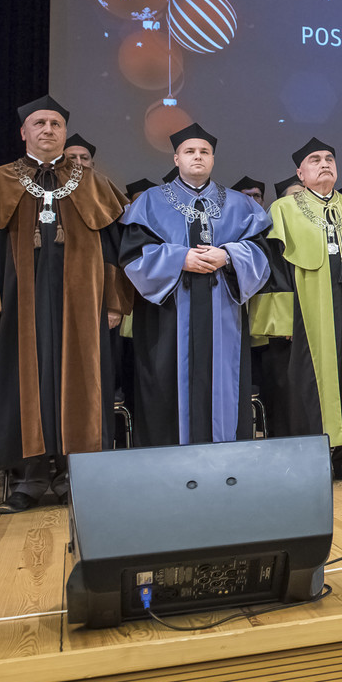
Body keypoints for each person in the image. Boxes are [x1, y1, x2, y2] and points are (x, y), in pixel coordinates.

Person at [0, 94, 133, 513]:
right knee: (23, 385)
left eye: (55, 124)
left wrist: (114, 302)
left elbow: (115, 249)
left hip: (83, 308)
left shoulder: (94, 183)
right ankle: (28, 479)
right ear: (24, 132)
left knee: (83, 385)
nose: (48, 130)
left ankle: (78, 477)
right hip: (18, 305)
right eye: (39, 123)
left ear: (65, 132)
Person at [118, 124, 272, 447]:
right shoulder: (151, 202)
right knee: (166, 390)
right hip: (167, 320)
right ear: (176, 158)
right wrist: (179, 259)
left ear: (213, 159)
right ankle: (170, 464)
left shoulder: (240, 205)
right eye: (190, 151)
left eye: (204, 152)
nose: (197, 157)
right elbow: (133, 256)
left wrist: (228, 255)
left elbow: (262, 253)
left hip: (225, 316)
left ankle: (225, 460)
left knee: (225, 385)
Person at [255, 138, 342, 480]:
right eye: (315, 159)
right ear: (300, 173)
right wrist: (282, 320)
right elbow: (275, 269)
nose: (324, 163)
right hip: (306, 314)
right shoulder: (283, 210)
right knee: (307, 386)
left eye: (329, 158)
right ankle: (311, 463)